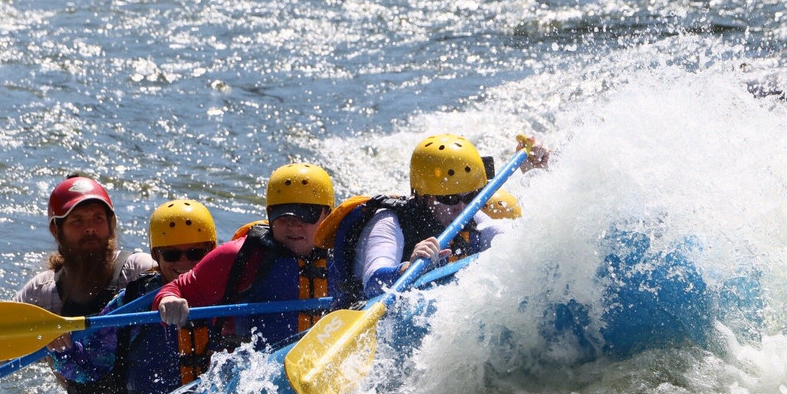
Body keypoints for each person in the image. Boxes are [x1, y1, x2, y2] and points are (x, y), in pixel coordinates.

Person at [50, 200, 218, 394]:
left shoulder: (231, 293)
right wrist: (64, 350)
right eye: (171, 254)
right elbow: (88, 368)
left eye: (195, 252)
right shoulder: (132, 303)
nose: (184, 263)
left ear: (212, 251)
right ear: (155, 256)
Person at [326, 134, 546, 307]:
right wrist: (408, 268)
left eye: (470, 196)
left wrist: (538, 174)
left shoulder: (470, 213)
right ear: (422, 196)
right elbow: (373, 282)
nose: (461, 207)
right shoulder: (388, 222)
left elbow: (514, 237)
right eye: (449, 199)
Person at [15, 174, 158, 394]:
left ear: (111, 224)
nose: (89, 228)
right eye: (77, 221)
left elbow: (183, 280)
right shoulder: (42, 292)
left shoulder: (137, 270)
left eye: (97, 218)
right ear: (56, 230)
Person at [155, 163, 335, 351]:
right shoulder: (240, 256)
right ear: (269, 214)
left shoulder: (346, 254)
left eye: (306, 216)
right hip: (255, 371)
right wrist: (167, 300)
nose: (293, 226)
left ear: (328, 214)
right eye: (283, 217)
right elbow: (177, 288)